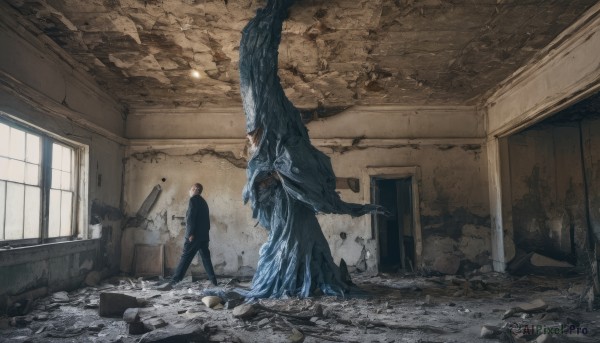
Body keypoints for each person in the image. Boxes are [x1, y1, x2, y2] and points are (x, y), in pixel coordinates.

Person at [161, 183, 217, 289]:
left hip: (194, 236)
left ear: (196, 189)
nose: (190, 191)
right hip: (204, 237)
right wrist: (205, 234)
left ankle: (174, 281)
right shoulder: (204, 202)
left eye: (191, 189)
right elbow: (206, 222)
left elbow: (191, 218)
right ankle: (214, 281)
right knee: (206, 259)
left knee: (185, 258)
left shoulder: (193, 200)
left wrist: (190, 234)